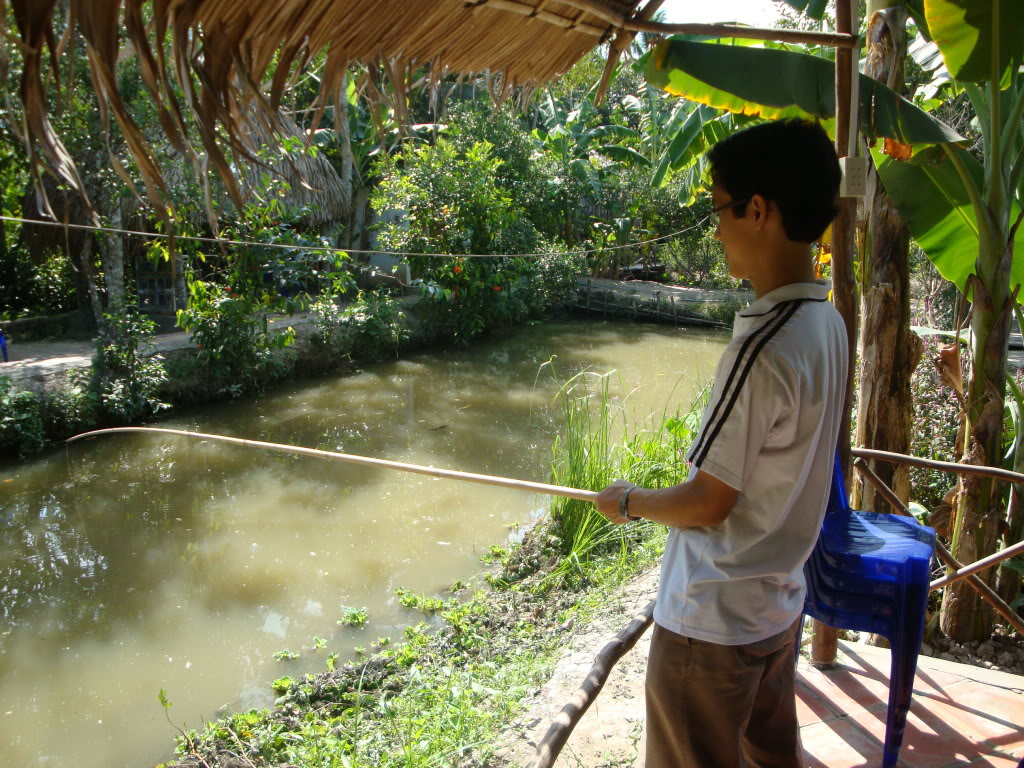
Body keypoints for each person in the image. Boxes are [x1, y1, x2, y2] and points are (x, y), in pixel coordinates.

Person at [595, 118, 847, 768]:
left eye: (719, 210)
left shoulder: (759, 351)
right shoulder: (827, 323)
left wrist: (628, 501)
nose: (715, 230)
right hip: (774, 609)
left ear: (757, 210)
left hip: (710, 626)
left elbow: (709, 502)